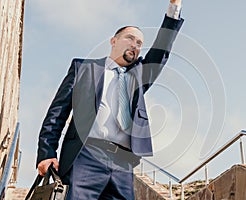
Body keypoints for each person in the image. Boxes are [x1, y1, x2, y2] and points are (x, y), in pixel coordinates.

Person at [36, 0, 184, 199]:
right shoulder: (84, 69)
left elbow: (161, 49)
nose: (135, 45)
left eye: (139, 43)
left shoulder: (138, 76)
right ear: (113, 41)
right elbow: (57, 113)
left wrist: (174, 8)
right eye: (130, 38)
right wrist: (47, 152)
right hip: (86, 154)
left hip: (123, 163)